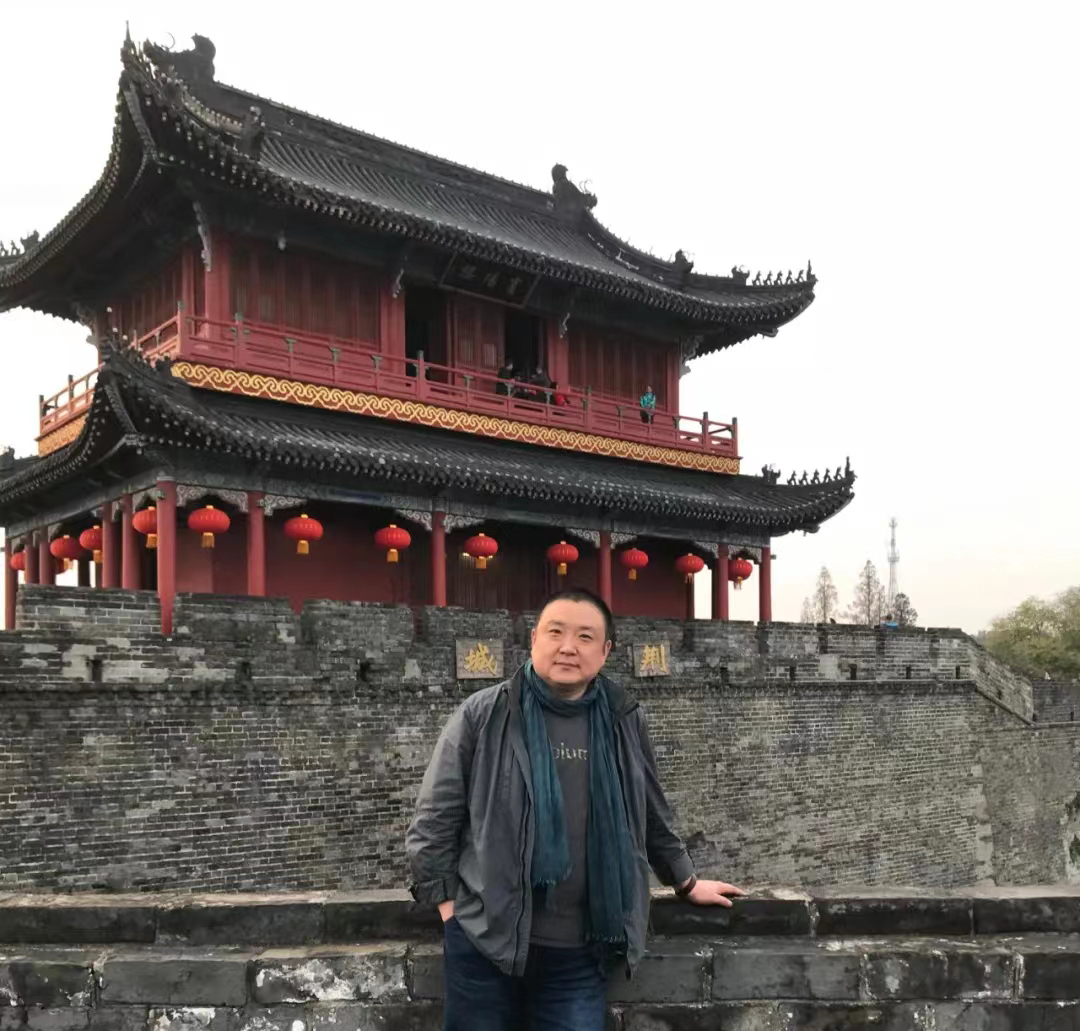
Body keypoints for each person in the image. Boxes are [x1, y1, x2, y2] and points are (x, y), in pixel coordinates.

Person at [406, 588, 743, 1031]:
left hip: (580, 954)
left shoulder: (623, 718)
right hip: (484, 944)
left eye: (585, 637)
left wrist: (686, 880)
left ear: (605, 651)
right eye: (556, 632)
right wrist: (451, 912)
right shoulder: (483, 715)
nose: (568, 647)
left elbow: (649, 813)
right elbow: (434, 822)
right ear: (534, 639)